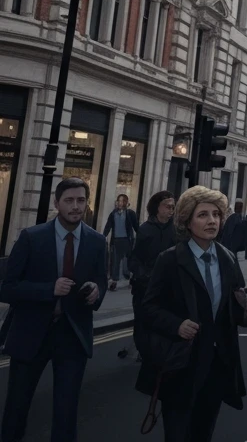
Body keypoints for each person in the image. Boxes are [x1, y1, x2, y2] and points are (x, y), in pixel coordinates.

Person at [136, 186, 247, 441]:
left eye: (216, 214)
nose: (211, 221)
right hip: (181, 361)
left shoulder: (228, 258)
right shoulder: (170, 260)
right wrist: (176, 324)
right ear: (187, 221)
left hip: (217, 363)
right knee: (178, 433)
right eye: (203, 215)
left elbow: (234, 305)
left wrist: (244, 310)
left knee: (203, 431)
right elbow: (148, 308)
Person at [0, 177, 108, 442]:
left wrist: (96, 292)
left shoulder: (96, 241)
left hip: (72, 335)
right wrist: (48, 289)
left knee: (66, 411)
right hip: (31, 333)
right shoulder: (31, 238)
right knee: (17, 408)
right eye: (69, 200)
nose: (75, 206)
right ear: (56, 203)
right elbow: (7, 288)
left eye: (81, 200)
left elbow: (101, 282)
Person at [127, 190, 177, 363]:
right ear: (157, 207)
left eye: (173, 207)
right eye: (167, 206)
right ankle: (144, 351)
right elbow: (133, 259)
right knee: (142, 321)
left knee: (164, 321)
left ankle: (158, 351)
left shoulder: (176, 230)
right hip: (144, 286)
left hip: (167, 286)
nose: (171, 210)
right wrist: (143, 275)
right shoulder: (145, 229)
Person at [102, 193, 140, 291]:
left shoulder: (130, 213)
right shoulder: (113, 213)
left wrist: (141, 237)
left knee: (128, 262)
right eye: (119, 201)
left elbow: (136, 226)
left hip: (127, 241)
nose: (121, 203)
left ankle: (131, 279)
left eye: (123, 201)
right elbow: (108, 226)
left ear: (127, 203)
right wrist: (102, 237)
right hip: (116, 241)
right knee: (115, 262)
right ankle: (114, 282)